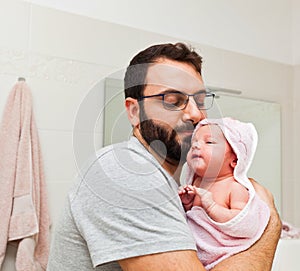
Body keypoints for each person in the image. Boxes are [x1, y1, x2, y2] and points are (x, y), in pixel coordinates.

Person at [47, 42, 281, 271]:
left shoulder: (173, 186)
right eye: (173, 101)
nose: (195, 113)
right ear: (134, 111)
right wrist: (268, 225)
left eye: (199, 101)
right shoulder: (125, 173)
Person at [179, 117, 270, 270]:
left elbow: (245, 225)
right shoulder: (196, 184)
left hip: (224, 257)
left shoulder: (234, 188)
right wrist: (187, 205)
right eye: (194, 141)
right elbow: (194, 221)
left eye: (209, 142)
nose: (195, 145)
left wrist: (212, 207)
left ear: (235, 160)